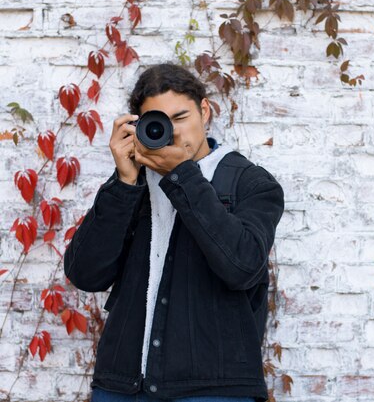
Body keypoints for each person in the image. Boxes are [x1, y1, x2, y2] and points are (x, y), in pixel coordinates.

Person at [63, 63, 285, 402]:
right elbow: (86, 274)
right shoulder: (132, 183)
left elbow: (241, 267)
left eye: (180, 118)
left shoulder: (251, 183)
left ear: (205, 111)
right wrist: (123, 184)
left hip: (213, 389)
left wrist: (181, 174)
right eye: (160, 122)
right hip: (122, 385)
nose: (174, 132)